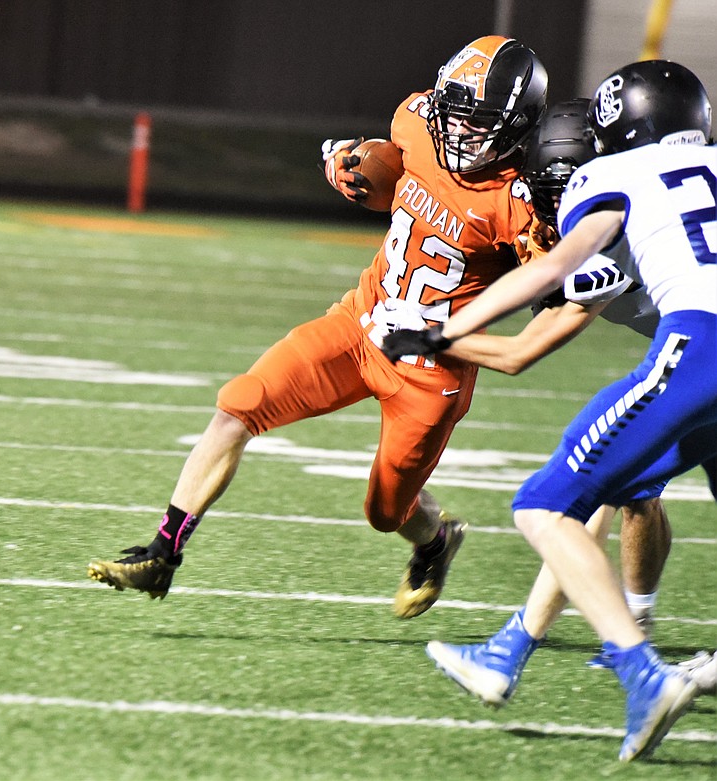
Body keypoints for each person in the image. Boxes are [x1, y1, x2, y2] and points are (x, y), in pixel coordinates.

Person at [87, 35, 548, 618]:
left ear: (517, 128)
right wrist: (349, 166)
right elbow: (391, 172)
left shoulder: (520, 199)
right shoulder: (416, 122)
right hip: (360, 322)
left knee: (387, 512)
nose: (458, 133)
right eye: (452, 114)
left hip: (431, 370)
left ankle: (435, 539)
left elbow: (549, 293)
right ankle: (163, 550)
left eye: (477, 124)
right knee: (239, 405)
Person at [380, 60, 716, 761]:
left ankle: (640, 670)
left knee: (545, 502)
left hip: (702, 352)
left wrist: (442, 331)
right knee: (606, 486)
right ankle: (510, 651)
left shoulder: (612, 183)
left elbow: (550, 277)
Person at [435, 98, 677, 684]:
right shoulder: (654, 189)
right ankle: (609, 634)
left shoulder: (612, 221)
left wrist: (426, 337)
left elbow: (521, 351)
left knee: (567, 494)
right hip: (696, 350)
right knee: (622, 484)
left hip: (700, 354)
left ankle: (513, 655)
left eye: (550, 189)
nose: (542, 205)